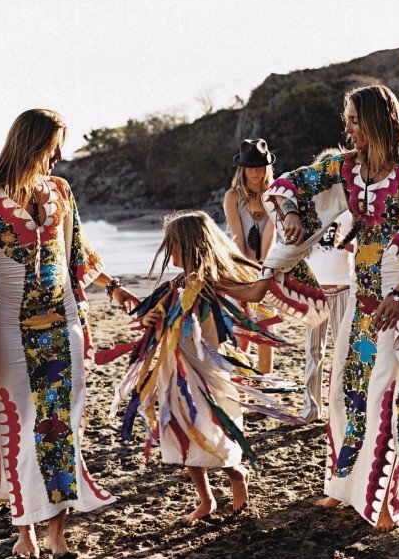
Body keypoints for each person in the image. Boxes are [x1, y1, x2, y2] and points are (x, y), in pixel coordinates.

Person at [0, 109, 139, 559]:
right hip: (9, 328)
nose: (61, 154)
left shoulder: (61, 190)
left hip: (65, 324)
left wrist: (114, 289)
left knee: (60, 425)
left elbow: (76, 251)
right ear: (32, 142)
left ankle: (57, 531)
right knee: (19, 425)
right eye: (54, 144)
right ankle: (25, 528)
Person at [258, 85, 399, 530]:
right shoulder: (348, 169)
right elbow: (293, 184)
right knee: (346, 390)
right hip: (360, 294)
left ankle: (382, 495)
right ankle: (345, 486)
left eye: (354, 120)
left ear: (377, 119)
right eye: (346, 121)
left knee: (386, 393)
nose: (347, 129)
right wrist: (288, 212)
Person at [107, 210, 290, 525]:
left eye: (173, 245)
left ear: (190, 245)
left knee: (212, 433)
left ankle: (236, 476)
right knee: (183, 437)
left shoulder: (213, 281)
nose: (169, 253)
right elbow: (154, 318)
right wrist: (148, 318)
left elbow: (254, 293)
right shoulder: (174, 285)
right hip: (176, 374)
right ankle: (206, 500)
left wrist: (274, 267)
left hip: (208, 374)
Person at [301, 185, 353, 424]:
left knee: (343, 352)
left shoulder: (351, 212)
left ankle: (340, 409)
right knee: (313, 351)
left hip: (343, 289)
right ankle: (311, 408)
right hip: (315, 291)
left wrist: (345, 242)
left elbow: (365, 250)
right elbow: (299, 250)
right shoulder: (310, 215)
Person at [224, 139, 277, 373]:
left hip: (267, 268)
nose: (256, 171)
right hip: (238, 267)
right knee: (240, 330)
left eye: (260, 166)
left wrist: (263, 270)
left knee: (265, 330)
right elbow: (236, 237)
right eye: (250, 166)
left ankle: (266, 385)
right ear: (242, 168)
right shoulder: (233, 197)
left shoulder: (274, 196)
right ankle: (241, 388)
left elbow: (271, 233)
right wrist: (245, 273)